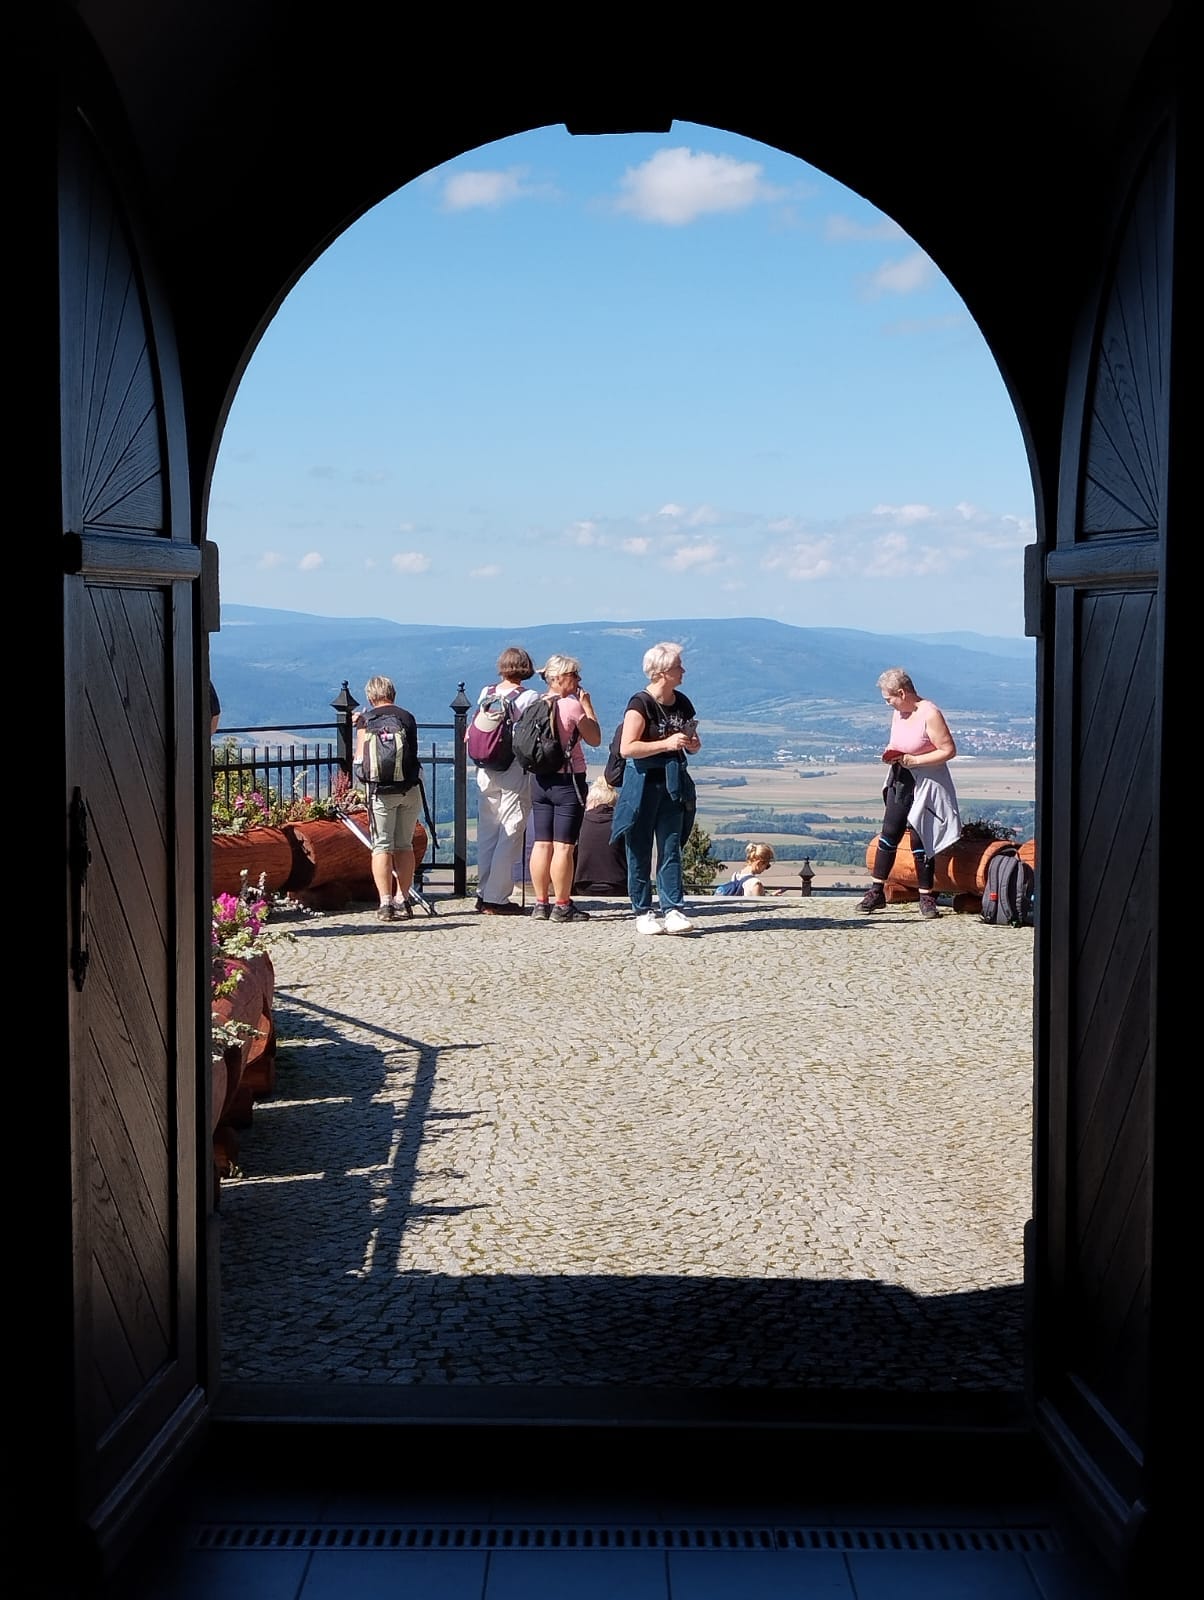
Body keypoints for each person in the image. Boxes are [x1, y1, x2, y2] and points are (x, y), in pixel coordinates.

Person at [610, 641, 702, 935]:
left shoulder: (682, 703)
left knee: (671, 846)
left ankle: (673, 908)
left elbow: (692, 742)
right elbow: (627, 748)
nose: (683, 671)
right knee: (638, 848)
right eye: (678, 666)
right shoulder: (640, 704)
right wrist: (666, 744)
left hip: (673, 781)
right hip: (643, 783)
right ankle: (642, 911)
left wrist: (692, 744)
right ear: (662, 672)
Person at [859, 667, 961, 919]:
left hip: (926, 781)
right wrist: (891, 753)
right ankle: (876, 891)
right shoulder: (899, 714)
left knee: (921, 837)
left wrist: (916, 761)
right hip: (900, 778)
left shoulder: (930, 713)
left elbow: (948, 750)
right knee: (889, 833)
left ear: (902, 693)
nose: (888, 704)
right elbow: (898, 742)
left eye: (889, 699)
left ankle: (926, 896)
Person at [528, 654, 601, 923]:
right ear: (558, 678)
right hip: (568, 781)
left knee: (541, 844)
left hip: (539, 781)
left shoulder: (536, 703)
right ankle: (562, 905)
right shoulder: (571, 706)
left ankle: (540, 904)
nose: (578, 679)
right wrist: (588, 706)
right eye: (574, 675)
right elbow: (594, 738)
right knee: (563, 847)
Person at [472, 647, 540, 915]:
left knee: (488, 831)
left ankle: (483, 891)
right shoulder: (529, 697)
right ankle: (496, 897)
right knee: (510, 830)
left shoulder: (486, 693)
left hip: (485, 767)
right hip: (512, 767)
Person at [353, 675, 422, 923]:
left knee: (382, 846)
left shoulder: (367, 720)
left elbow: (359, 761)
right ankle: (403, 899)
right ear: (393, 693)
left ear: (370, 696)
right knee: (404, 845)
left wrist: (359, 726)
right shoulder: (407, 717)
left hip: (380, 792)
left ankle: (385, 903)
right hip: (409, 789)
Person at [572, 776, 629, 897]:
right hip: (618, 886)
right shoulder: (622, 823)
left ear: (592, 801)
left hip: (583, 887)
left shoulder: (580, 823)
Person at [719, 841, 787, 897]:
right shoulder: (755, 884)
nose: (765, 869)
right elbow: (760, 906)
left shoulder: (735, 876)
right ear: (759, 863)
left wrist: (770, 896)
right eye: (767, 866)